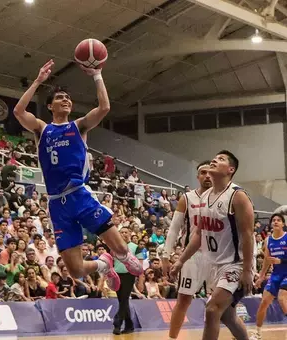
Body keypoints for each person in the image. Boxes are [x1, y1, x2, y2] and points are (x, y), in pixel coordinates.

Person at [13, 60, 142, 291]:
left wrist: (97, 75)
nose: (66, 100)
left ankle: (120, 255)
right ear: (50, 106)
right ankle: (103, 264)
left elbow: (104, 108)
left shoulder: (78, 126)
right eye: (60, 98)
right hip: (56, 204)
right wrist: (38, 81)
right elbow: (18, 111)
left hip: (79, 196)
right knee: (75, 270)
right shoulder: (42, 129)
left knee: (122, 250)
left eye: (68, 98)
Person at [172, 150, 254, 340]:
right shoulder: (205, 196)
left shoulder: (238, 196)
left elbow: (248, 235)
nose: (215, 160)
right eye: (215, 158)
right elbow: (199, 235)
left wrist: (248, 270)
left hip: (237, 263)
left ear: (231, 170)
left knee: (212, 309)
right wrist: (181, 261)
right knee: (227, 316)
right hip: (214, 265)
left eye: (221, 159)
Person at [162, 161, 212, 340]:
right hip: (192, 256)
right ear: (198, 176)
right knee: (183, 300)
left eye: (210, 172)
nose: (207, 175)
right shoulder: (187, 198)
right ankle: (172, 338)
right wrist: (166, 256)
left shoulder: (225, 197)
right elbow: (174, 229)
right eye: (203, 172)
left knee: (222, 303)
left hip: (218, 256)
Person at [250, 214, 287, 340]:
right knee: (264, 303)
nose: (276, 222)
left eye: (279, 220)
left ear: (283, 224)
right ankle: (258, 333)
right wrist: (261, 277)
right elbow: (266, 260)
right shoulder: (268, 240)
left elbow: (277, 260)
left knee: (282, 298)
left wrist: (280, 261)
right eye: (274, 220)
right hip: (276, 275)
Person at [113, 227, 144, 335]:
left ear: (130, 233)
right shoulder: (114, 246)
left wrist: (140, 281)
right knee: (122, 301)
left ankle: (117, 324)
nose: (124, 234)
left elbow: (140, 265)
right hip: (116, 275)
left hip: (129, 275)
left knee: (124, 298)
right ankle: (129, 325)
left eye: (126, 232)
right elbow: (111, 262)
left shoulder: (136, 247)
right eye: (121, 232)